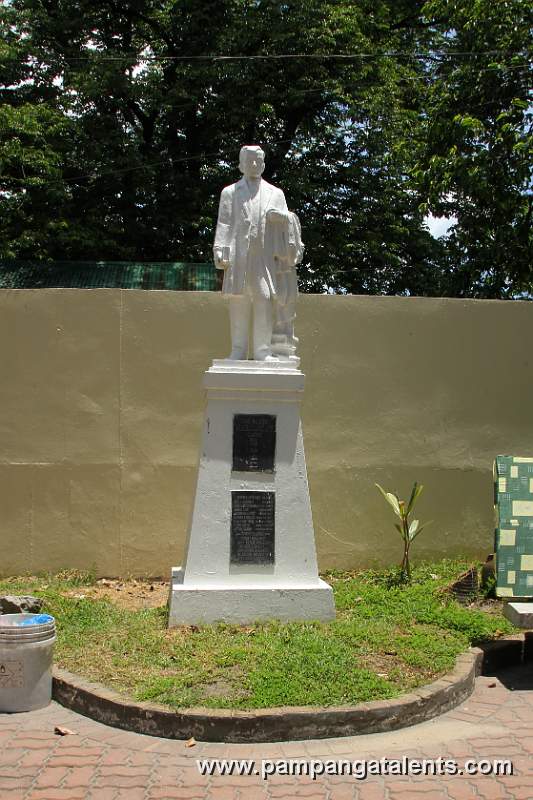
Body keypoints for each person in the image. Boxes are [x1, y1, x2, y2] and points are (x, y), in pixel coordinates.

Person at [213, 145, 289, 360]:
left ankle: (262, 351)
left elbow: (287, 226)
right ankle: (238, 349)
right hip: (238, 257)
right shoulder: (230, 192)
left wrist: (280, 219)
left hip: (265, 259)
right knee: (238, 301)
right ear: (241, 164)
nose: (254, 164)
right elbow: (225, 223)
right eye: (249, 160)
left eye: (258, 160)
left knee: (264, 300)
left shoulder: (276, 193)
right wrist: (220, 249)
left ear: (264, 164)